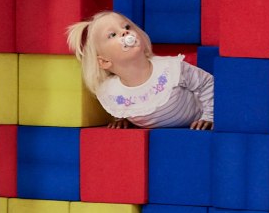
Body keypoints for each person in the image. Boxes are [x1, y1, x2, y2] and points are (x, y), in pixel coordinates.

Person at [67, 11, 215, 130]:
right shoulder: (110, 91)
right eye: (112, 35)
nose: (124, 33)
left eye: (127, 27)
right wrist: (123, 119)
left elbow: (207, 83)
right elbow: (131, 105)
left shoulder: (172, 69)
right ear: (104, 61)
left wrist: (209, 116)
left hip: (197, 122)